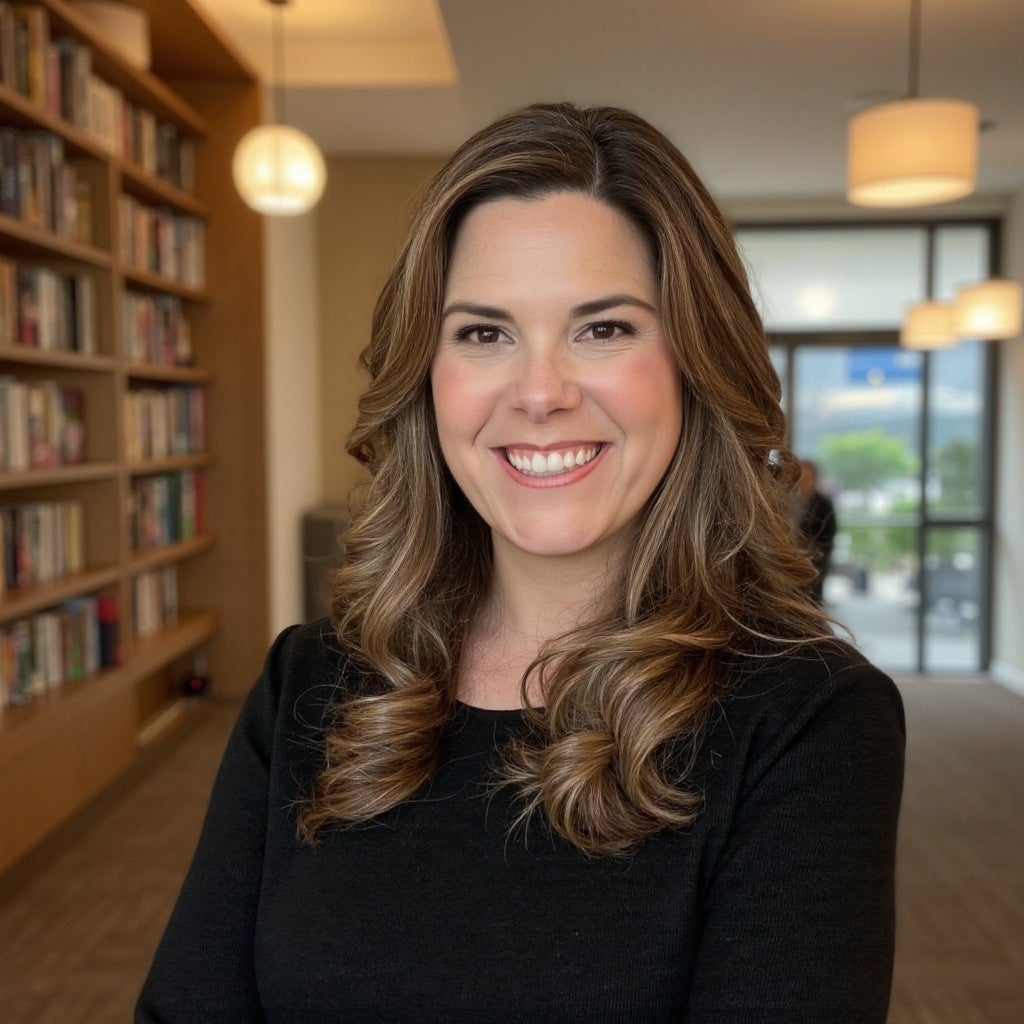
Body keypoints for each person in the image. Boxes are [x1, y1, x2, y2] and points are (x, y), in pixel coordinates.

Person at [136, 103, 904, 1023]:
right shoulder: (310, 681)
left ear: (696, 360)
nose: (540, 392)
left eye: (604, 328)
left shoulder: (809, 721)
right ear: (427, 373)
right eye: (485, 333)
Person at [793, 458, 838, 604]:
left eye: (807, 476)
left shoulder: (823, 504)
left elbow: (829, 533)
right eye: (801, 476)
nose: (803, 480)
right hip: (792, 558)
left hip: (814, 560)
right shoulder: (788, 501)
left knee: (811, 600)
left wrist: (812, 551)